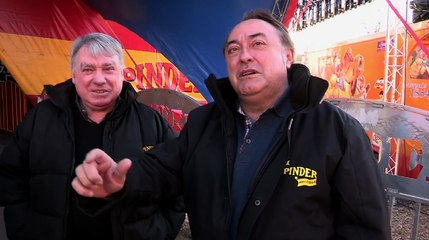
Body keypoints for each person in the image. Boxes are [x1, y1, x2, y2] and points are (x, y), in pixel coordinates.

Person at [72, 10, 391, 240]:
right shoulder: (202, 124)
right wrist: (119, 181)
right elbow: (162, 168)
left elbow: (365, 229)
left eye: (258, 44)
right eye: (233, 49)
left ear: (288, 56)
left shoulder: (337, 132)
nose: (244, 56)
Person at [0, 32, 185, 240]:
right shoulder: (40, 118)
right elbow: (10, 176)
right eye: (88, 69)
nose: (99, 79)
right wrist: (23, 230)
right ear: (74, 74)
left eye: (108, 68)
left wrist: (159, 232)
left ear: (122, 74)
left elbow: (178, 183)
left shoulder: (151, 122)